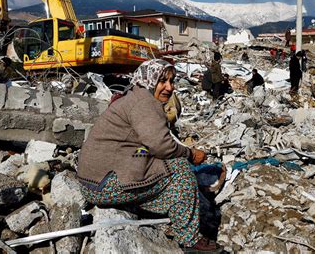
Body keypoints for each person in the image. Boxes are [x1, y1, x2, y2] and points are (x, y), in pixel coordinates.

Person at [76, 59, 219, 252]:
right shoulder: (145, 103)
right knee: (180, 169)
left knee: (158, 165)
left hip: (92, 181)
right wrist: (190, 154)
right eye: (163, 81)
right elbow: (162, 146)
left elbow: (149, 143)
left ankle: (168, 214)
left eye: (172, 81)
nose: (169, 87)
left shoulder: (135, 96)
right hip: (103, 185)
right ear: (149, 80)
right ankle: (189, 239)